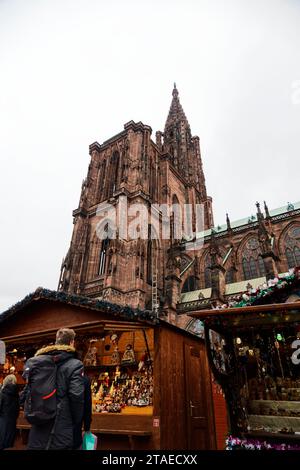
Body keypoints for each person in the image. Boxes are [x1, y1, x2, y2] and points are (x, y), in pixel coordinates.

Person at [24, 328, 84, 450]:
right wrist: (77, 420)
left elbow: (26, 392)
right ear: (72, 342)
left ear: (56, 341)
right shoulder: (75, 364)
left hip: (39, 424)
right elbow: (76, 395)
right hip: (61, 427)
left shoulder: (40, 362)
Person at [0, 374, 20, 450]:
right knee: (9, 442)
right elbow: (17, 408)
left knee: (2, 441)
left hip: (3, 420)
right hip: (12, 420)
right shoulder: (16, 394)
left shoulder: (3, 393)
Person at [73, 374, 92, 449]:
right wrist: (87, 427)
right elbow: (87, 405)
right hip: (76, 429)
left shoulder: (56, 373)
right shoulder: (84, 379)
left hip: (55, 430)